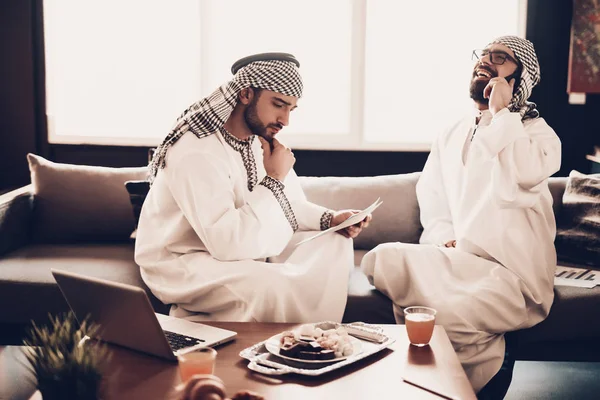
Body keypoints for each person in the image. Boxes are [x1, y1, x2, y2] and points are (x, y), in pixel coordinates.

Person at [360, 36, 561, 395]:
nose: (485, 60)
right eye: (482, 55)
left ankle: (463, 385)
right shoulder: (451, 132)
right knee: (382, 259)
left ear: (520, 79)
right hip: (460, 260)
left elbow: (523, 172)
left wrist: (502, 112)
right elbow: (434, 200)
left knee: (445, 312)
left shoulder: (538, 135)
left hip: (513, 274)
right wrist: (444, 238)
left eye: (499, 57)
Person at [135, 53, 371, 324]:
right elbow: (225, 242)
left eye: (290, 109)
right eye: (278, 105)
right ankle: (280, 350)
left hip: (235, 248)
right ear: (246, 93)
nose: (285, 120)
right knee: (271, 286)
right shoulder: (197, 151)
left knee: (336, 240)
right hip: (182, 261)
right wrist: (273, 178)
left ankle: (312, 342)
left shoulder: (258, 143)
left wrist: (330, 219)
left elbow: (289, 205)